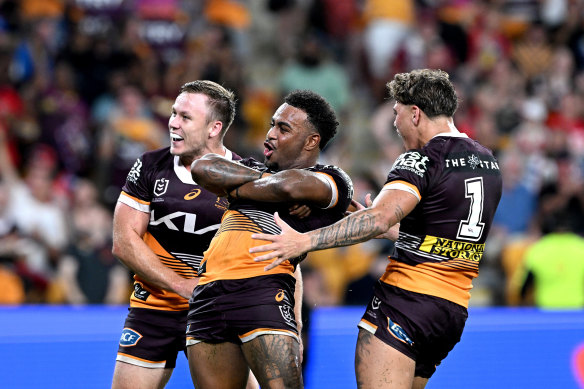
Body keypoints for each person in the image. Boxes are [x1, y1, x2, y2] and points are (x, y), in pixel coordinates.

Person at [250, 69, 503, 388]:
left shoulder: (421, 160)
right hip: (450, 312)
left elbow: (378, 218)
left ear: (415, 113)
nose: (395, 126)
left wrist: (304, 241)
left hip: (407, 303)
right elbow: (452, 241)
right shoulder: (487, 161)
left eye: (396, 115)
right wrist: (391, 231)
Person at [186, 89, 354, 389]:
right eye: (272, 124)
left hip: (262, 289)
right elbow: (202, 167)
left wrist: (234, 188)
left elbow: (291, 185)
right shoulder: (254, 168)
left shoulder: (334, 179)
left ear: (311, 141)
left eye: (283, 128)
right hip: (207, 294)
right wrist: (271, 186)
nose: (270, 134)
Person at [110, 80, 258, 389]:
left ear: (214, 128)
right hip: (154, 307)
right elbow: (123, 242)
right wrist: (183, 286)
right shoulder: (150, 166)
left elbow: (274, 252)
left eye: (185, 117)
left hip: (219, 313)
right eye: (174, 113)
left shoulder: (248, 177)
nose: (173, 123)